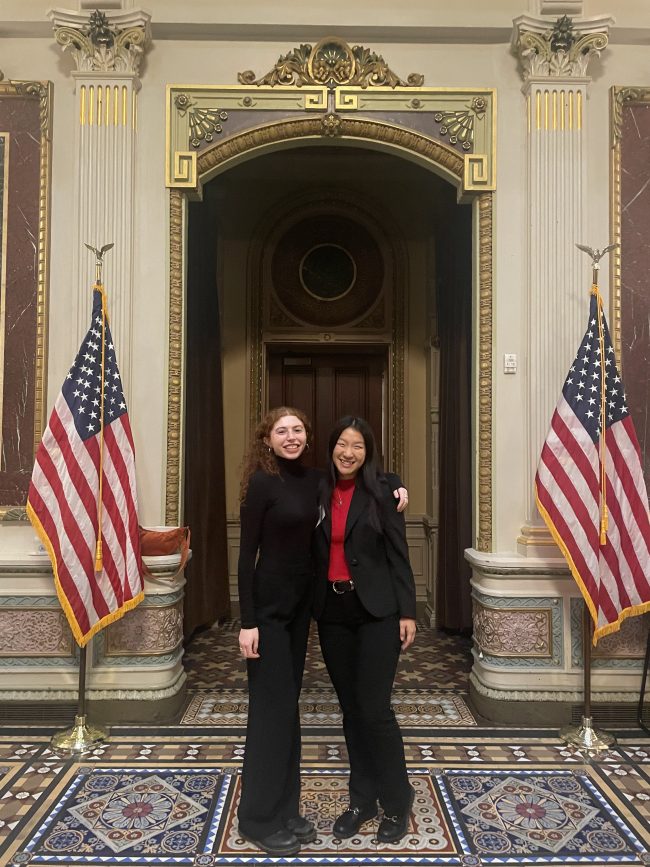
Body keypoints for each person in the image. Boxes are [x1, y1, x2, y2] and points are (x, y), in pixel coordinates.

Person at [236, 407, 408, 856]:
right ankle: (274, 814)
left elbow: (381, 502)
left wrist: (397, 486)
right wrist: (246, 621)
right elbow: (246, 556)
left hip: (334, 615)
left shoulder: (336, 484)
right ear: (267, 438)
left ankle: (378, 805)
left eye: (297, 430)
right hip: (292, 615)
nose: (291, 437)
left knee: (352, 711)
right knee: (296, 715)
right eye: (281, 430)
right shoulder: (279, 484)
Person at [313, 415, 417, 844]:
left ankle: (397, 800)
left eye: (357, 445)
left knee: (375, 710)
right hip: (333, 612)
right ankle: (362, 799)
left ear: (367, 451)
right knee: (352, 711)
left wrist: (407, 613)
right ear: (331, 447)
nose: (348, 452)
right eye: (342, 443)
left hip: (378, 613)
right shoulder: (317, 488)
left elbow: (398, 554)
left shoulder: (383, 491)